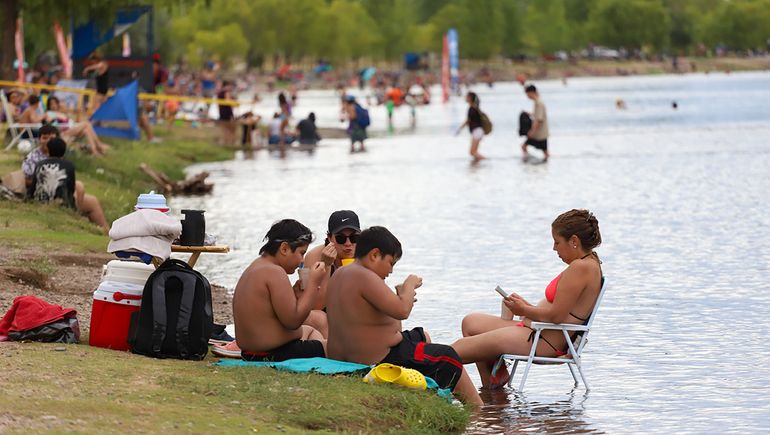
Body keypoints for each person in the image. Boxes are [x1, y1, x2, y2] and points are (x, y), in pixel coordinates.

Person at [326, 226, 483, 406]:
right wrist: (409, 286)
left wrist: (400, 296)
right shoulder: (364, 276)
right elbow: (402, 311)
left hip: (349, 356)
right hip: (375, 359)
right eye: (391, 263)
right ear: (374, 255)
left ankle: (435, 397)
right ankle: (477, 410)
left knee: (421, 335)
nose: (391, 271)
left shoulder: (341, 274)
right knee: (448, 356)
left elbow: (382, 317)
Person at [451, 209, 603, 389]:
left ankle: (487, 399)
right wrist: (524, 307)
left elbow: (556, 317)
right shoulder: (589, 262)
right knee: (471, 322)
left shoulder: (580, 268)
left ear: (574, 241)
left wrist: (522, 310)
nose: (554, 248)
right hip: (536, 330)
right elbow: (563, 311)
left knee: (453, 352)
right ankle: (494, 388)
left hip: (541, 340)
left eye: (557, 242)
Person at [232, 219, 328, 361]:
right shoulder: (275, 272)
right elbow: (293, 321)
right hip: (272, 353)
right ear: (284, 249)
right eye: (301, 253)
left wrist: (295, 296)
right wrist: (313, 284)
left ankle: (318, 358)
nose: (302, 260)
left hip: (251, 352)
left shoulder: (257, 265)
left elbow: (274, 313)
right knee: (334, 347)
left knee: (310, 331)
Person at [26, 136, 109, 233]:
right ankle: (107, 231)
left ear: (48, 150)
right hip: (61, 204)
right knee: (92, 201)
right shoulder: (68, 165)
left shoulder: (39, 164)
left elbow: (33, 188)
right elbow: (70, 189)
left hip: (39, 201)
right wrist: (73, 209)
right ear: (64, 151)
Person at [301, 210, 362, 337]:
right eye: (340, 238)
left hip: (354, 311)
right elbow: (314, 306)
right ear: (329, 238)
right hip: (324, 312)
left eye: (354, 237)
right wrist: (326, 265)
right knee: (319, 317)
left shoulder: (365, 255)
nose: (348, 244)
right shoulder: (313, 257)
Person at [45, 96, 109, 155]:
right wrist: (54, 118)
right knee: (86, 123)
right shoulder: (49, 113)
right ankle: (99, 145)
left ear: (57, 104)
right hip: (65, 131)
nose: (53, 105)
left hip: (72, 128)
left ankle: (94, 150)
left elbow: (70, 121)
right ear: (49, 105)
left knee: (86, 130)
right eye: (51, 104)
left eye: (55, 103)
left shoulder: (61, 113)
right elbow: (48, 121)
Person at [521, 84, 550, 161]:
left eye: (527, 94)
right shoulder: (537, 102)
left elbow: (539, 120)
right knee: (545, 152)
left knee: (524, 146)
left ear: (531, 92)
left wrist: (532, 131)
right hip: (539, 133)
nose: (527, 96)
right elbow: (537, 115)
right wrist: (529, 114)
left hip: (540, 134)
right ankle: (531, 160)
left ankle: (528, 161)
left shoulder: (539, 103)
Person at [455, 92, 486, 163]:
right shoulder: (474, 107)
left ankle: (485, 161)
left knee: (473, 152)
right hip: (477, 131)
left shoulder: (472, 108)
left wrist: (460, 129)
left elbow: (467, 121)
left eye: (466, 97)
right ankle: (478, 164)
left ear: (470, 98)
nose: (465, 98)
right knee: (473, 152)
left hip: (477, 131)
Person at [217, 81, 236, 145]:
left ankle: (226, 142)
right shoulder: (226, 92)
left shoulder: (219, 93)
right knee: (229, 128)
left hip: (222, 112)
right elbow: (229, 102)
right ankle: (229, 142)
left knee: (225, 129)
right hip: (227, 112)